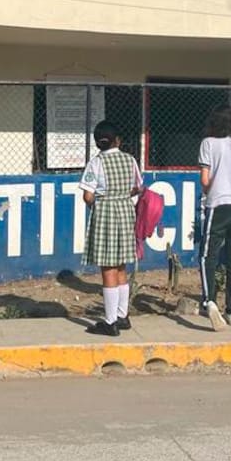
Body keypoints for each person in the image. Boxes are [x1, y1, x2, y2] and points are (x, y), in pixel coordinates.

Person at [79, 120, 142, 337]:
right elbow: (137, 187)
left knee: (108, 268)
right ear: (118, 140)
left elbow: (87, 195)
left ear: (98, 143)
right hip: (125, 212)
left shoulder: (95, 163)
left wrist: (99, 202)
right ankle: (123, 315)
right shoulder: (130, 160)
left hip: (105, 213)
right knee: (121, 266)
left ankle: (110, 321)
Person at [198, 105, 231, 332]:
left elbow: (205, 180)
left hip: (217, 204)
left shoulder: (208, 143)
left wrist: (212, 187)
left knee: (207, 255)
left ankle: (209, 301)